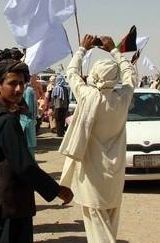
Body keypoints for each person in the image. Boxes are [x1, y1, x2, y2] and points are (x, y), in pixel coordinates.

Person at [0, 58, 73, 242]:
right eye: (12, 83)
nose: (19, 89)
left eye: (22, 83)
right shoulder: (4, 120)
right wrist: (57, 190)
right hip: (5, 212)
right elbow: (24, 167)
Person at [58, 34, 136, 243]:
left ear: (93, 76)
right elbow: (130, 75)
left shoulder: (87, 96)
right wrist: (114, 51)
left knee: (96, 223)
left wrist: (82, 49)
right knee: (110, 220)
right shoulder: (123, 98)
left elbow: (71, 73)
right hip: (116, 172)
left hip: (93, 175)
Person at [20, 76, 38, 157]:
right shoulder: (29, 90)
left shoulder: (28, 90)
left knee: (28, 146)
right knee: (29, 146)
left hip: (26, 120)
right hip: (29, 120)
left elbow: (28, 108)